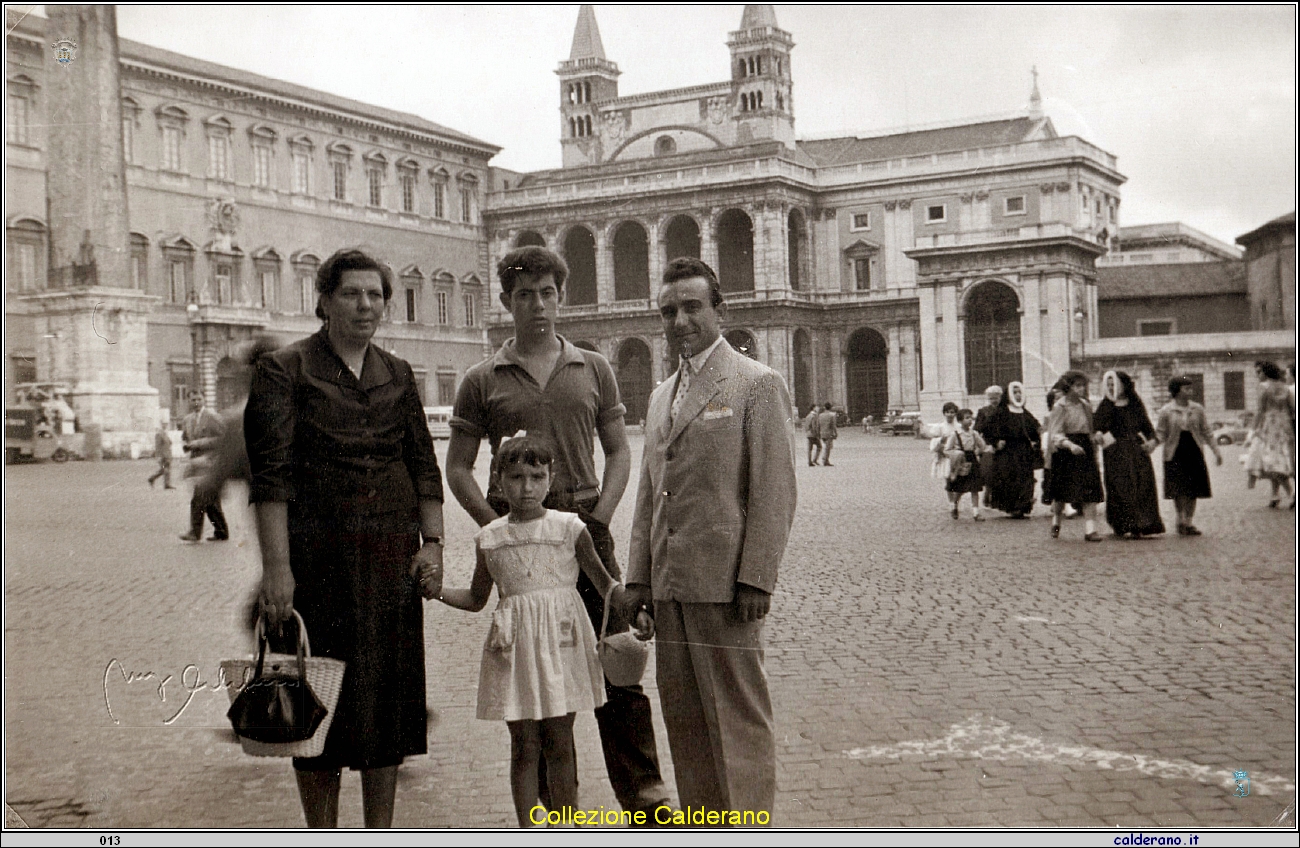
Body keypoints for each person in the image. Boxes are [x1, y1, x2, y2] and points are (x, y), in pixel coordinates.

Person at [445, 245, 669, 819]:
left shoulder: (593, 367)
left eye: (547, 293)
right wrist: (497, 525)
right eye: (525, 295)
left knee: (616, 655)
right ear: (507, 301)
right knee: (536, 668)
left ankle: (642, 788)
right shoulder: (480, 378)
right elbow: (458, 467)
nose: (538, 305)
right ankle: (550, 804)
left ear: (560, 297)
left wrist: (599, 515)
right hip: (521, 543)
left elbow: (620, 452)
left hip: (583, 527)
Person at [244, 249, 445, 828]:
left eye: (376, 295)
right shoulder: (285, 370)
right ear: (324, 301)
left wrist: (432, 543)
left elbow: (422, 465)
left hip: (390, 563)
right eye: (352, 294)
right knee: (319, 704)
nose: (366, 305)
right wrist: (277, 569)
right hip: (318, 563)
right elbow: (271, 478)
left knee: (387, 708)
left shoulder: (398, 373)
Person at [627, 257, 797, 820]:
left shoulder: (756, 384)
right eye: (668, 311)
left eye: (692, 307)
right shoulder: (658, 396)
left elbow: (773, 491)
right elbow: (650, 494)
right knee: (686, 719)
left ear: (719, 311)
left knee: (738, 720)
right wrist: (638, 580)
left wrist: (757, 577)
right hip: (672, 587)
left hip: (727, 588)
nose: (680, 320)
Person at [432, 436, 652, 827]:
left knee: (559, 741)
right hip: (514, 651)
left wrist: (636, 610)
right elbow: (476, 597)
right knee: (524, 746)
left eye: (537, 476)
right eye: (516, 477)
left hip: (562, 645)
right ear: (498, 481)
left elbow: (605, 585)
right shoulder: (491, 537)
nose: (527, 487)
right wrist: (436, 593)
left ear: (551, 479)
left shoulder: (570, 528)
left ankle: (567, 824)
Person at [1093, 371, 1164, 538]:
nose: (1111, 388)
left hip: (1136, 451)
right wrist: (1097, 434)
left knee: (1141, 486)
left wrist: (1152, 442)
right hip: (1115, 452)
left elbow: (1147, 426)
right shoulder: (1106, 405)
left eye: (1114, 384)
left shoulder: (1135, 404)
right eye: (1109, 385)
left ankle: (1143, 523)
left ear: (1124, 385)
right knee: (1121, 488)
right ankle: (1123, 523)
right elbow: (1097, 426)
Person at [1155, 375, 1222, 536]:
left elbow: (1206, 431)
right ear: (1177, 391)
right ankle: (1180, 517)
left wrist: (1216, 450)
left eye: (1190, 388)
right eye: (1186, 388)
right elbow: (1161, 433)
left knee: (1193, 489)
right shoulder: (1166, 410)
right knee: (1178, 488)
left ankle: (1189, 522)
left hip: (1194, 450)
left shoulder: (1197, 409)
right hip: (1174, 452)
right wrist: (1152, 445)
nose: (1190, 391)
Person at [1045, 371, 1104, 542]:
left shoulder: (1086, 405)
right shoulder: (1060, 407)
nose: (1081, 389)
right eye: (1077, 385)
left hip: (1084, 450)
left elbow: (1090, 429)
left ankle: (1090, 530)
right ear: (1068, 387)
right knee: (1061, 493)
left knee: (1090, 491)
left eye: (1083, 385)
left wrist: (1095, 438)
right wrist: (1069, 445)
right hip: (1065, 452)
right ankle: (1056, 520)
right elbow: (1055, 433)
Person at [983, 381, 1041, 518]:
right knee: (1009, 478)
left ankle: (1023, 506)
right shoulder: (1002, 411)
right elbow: (988, 429)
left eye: (1019, 392)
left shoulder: (1024, 412)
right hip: (1007, 451)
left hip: (1024, 450)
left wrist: (1036, 440)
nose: (1018, 395)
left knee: (1026, 478)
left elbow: (1035, 428)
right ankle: (1012, 506)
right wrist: (996, 442)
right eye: (1014, 392)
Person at [1245, 360, 1296, 509]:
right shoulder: (1286, 388)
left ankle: (1291, 492)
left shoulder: (1263, 387)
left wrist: (1252, 430)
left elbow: (1260, 411)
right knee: (1283, 460)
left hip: (1269, 426)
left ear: (1266, 373)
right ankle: (1277, 494)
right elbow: (1293, 408)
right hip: (1285, 426)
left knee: (1271, 462)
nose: (1257, 376)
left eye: (1259, 373)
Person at [179, 392, 229, 542]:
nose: (196, 402)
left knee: (198, 499)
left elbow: (224, 438)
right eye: (193, 399)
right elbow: (185, 437)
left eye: (199, 399)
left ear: (204, 400)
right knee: (210, 500)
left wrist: (199, 443)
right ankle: (221, 531)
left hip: (210, 463)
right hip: (196, 464)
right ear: (189, 401)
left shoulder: (212, 417)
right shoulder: (187, 419)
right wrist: (186, 445)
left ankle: (195, 533)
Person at [944, 408, 989, 520]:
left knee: (975, 488)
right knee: (960, 489)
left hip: (972, 461)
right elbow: (947, 450)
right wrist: (956, 454)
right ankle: (954, 506)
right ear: (960, 421)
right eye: (967, 418)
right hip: (961, 462)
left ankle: (976, 513)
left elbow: (982, 446)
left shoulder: (974, 433)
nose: (970, 421)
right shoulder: (955, 434)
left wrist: (979, 451)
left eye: (971, 418)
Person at [974, 385, 1003, 502]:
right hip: (988, 445)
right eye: (991, 398)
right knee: (988, 471)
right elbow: (977, 429)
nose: (994, 401)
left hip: (1002, 445)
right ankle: (988, 491)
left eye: (996, 398)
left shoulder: (1005, 411)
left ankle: (996, 497)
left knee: (1001, 472)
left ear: (1000, 397)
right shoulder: (983, 411)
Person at [931, 402, 960, 482]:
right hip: (945, 454)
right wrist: (940, 440)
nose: (949, 414)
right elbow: (934, 441)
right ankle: (950, 494)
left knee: (958, 478)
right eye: (947, 412)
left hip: (957, 453)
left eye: (952, 412)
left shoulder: (959, 426)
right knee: (948, 478)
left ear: (955, 413)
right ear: (944, 413)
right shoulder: (940, 427)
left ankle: (956, 494)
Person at [148, 424, 175, 489]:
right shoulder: (158, 435)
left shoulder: (165, 434)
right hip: (162, 456)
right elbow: (158, 447)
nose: (165, 426)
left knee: (165, 469)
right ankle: (166, 484)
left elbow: (170, 443)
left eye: (165, 425)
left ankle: (153, 479)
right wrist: (159, 456)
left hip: (167, 455)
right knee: (165, 469)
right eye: (163, 425)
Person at [816, 401, 838, 466]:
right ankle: (825, 460)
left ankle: (825, 459)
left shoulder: (820, 415)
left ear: (824, 407)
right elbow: (833, 425)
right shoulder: (832, 415)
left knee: (826, 446)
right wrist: (836, 433)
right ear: (830, 407)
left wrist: (818, 433)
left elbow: (818, 425)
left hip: (822, 433)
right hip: (829, 433)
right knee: (828, 447)